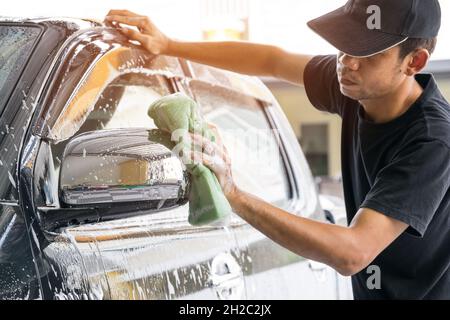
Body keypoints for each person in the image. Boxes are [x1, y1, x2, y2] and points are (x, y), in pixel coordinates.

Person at [105, 0, 450, 299]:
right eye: (345, 44)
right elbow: (271, 60)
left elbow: (353, 253)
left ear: (414, 62)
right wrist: (168, 44)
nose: (347, 61)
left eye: (366, 52)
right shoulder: (356, 83)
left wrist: (233, 193)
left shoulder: (431, 142)